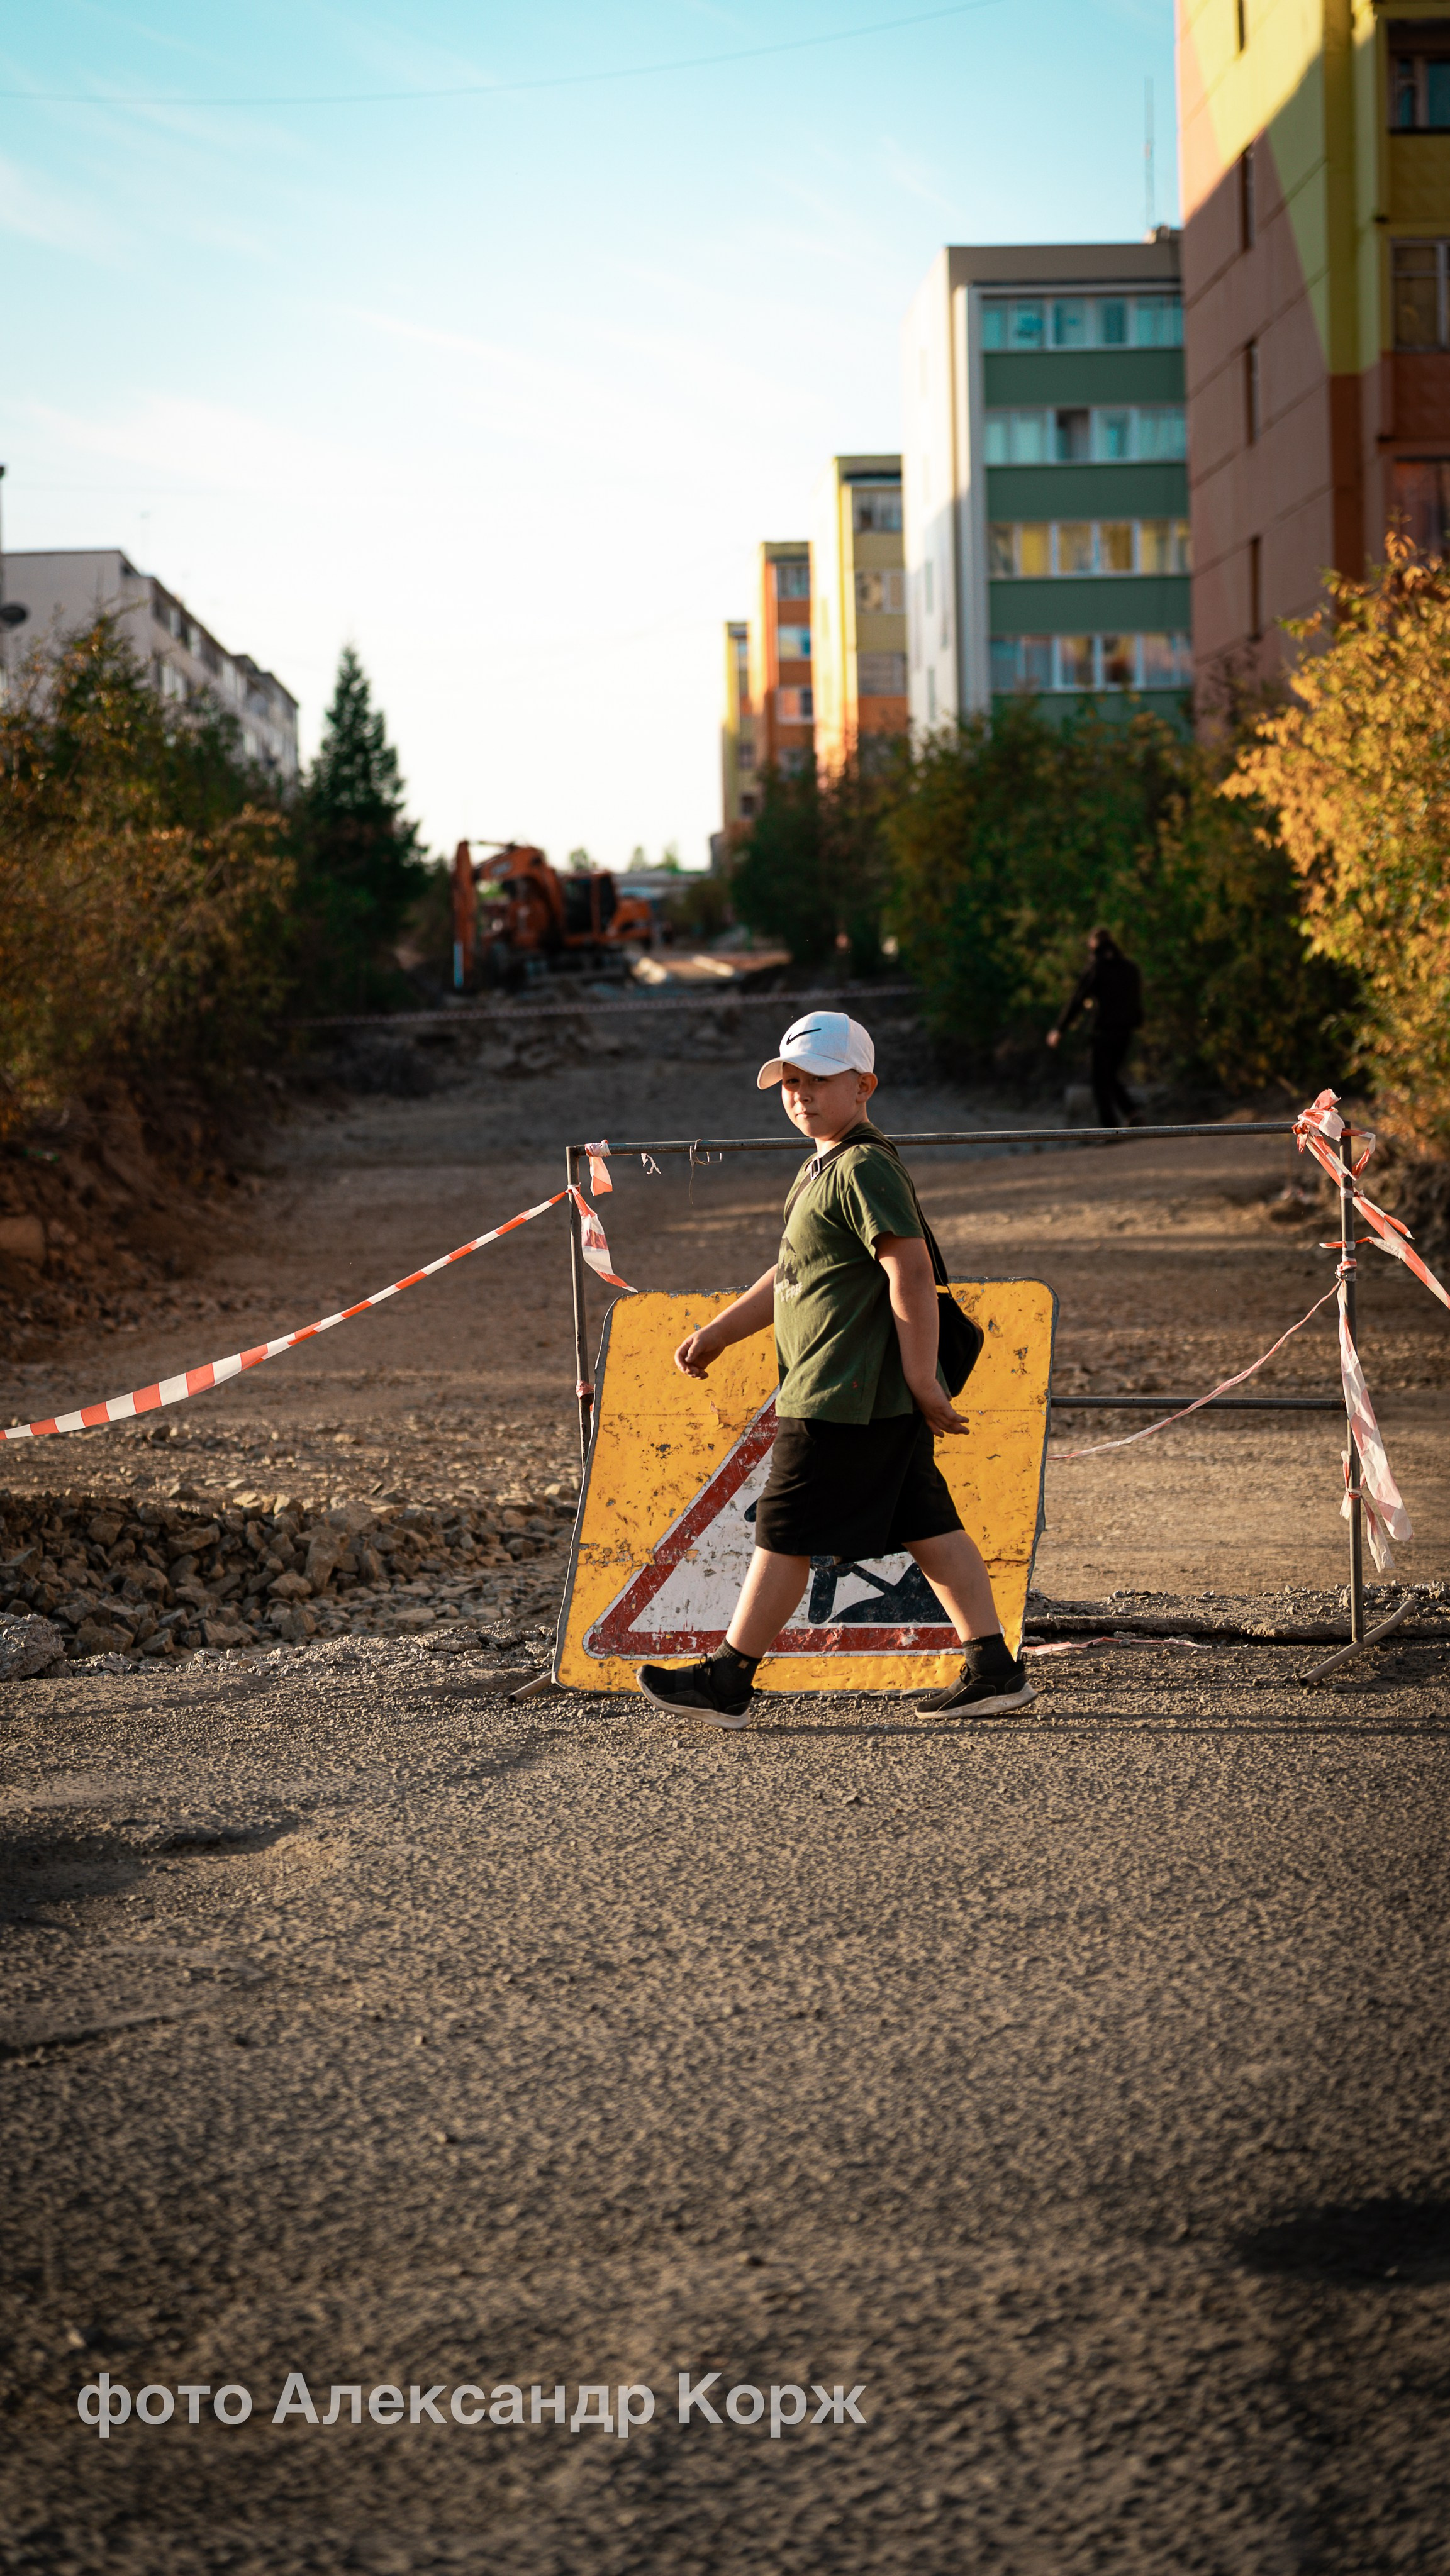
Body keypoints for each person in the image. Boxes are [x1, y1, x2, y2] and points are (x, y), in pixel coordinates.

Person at [636, 1010, 1034, 1729]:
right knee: (927, 1522)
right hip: (854, 1388)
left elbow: (908, 1270)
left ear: (864, 1085)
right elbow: (792, 1270)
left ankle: (729, 1680)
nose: (801, 1094)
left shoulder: (863, 1164)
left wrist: (921, 1379)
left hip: (843, 1390)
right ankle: (994, 1670)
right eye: (790, 1082)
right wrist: (720, 1332)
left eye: (819, 1080)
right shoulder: (822, 1164)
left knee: (784, 1527)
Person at [1046, 927, 1144, 1128]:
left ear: (1093, 944)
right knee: (1110, 1076)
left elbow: (1077, 1000)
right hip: (1125, 1032)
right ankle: (1132, 1114)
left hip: (1103, 1032)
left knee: (1100, 1080)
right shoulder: (1130, 968)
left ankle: (1110, 1129)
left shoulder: (1096, 968)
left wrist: (1059, 1029)